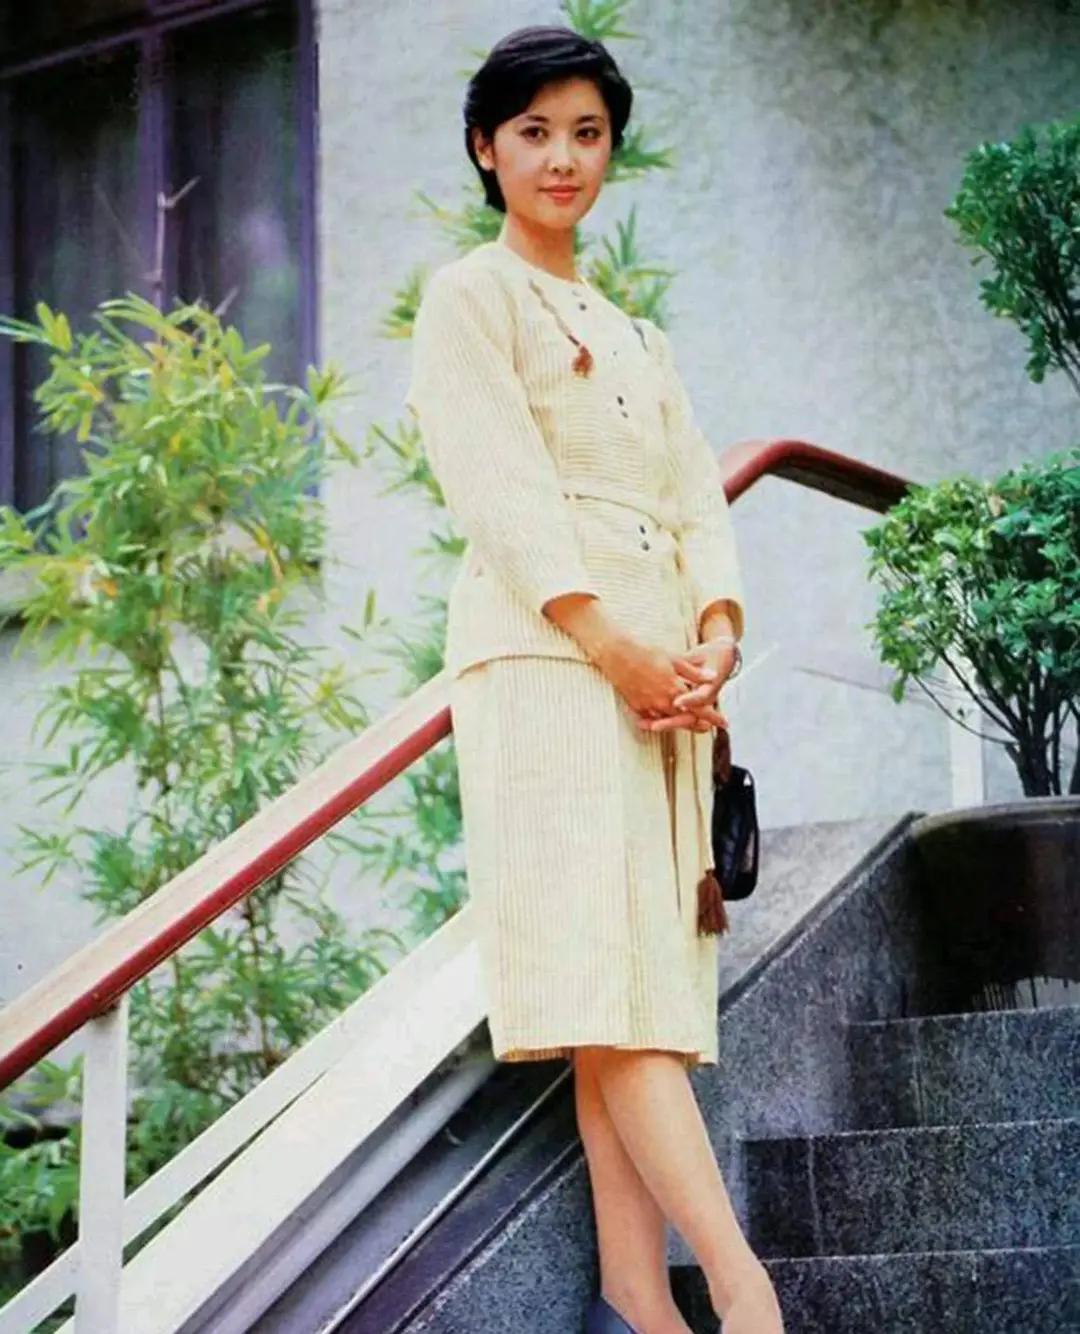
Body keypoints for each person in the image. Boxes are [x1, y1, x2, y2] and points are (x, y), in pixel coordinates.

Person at [405, 24, 784, 1334]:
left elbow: (696, 503)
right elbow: (500, 490)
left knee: (634, 998)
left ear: (610, 149)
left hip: (663, 681)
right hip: (548, 666)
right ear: (486, 149)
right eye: (533, 133)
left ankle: (637, 1294)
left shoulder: (637, 338)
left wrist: (713, 635)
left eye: (586, 133)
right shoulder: (470, 297)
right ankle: (739, 1287)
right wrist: (612, 644)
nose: (562, 158)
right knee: (598, 981)